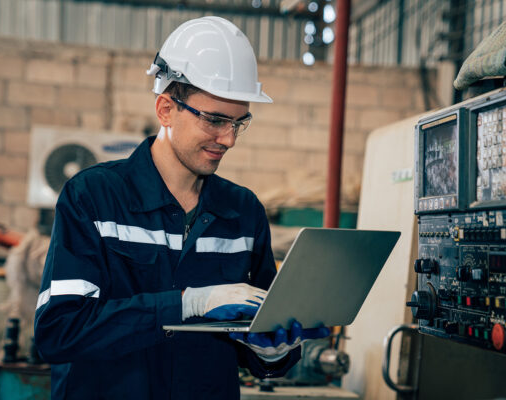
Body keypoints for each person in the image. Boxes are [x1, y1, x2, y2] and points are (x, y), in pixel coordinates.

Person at [34, 16, 329, 400]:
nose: (228, 139)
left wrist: (272, 352)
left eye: (239, 123)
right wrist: (188, 304)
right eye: (214, 120)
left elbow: (258, 346)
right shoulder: (93, 197)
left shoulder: (243, 212)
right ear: (165, 109)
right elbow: (60, 332)